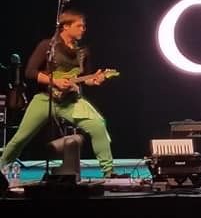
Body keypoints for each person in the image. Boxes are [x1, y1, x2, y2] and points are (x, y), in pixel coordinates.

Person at [0, 10, 123, 178]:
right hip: (45, 100)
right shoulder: (48, 46)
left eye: (84, 26)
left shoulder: (83, 51)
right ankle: (1, 165)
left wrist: (95, 80)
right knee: (21, 138)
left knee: (97, 125)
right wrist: (54, 81)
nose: (83, 29)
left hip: (70, 102)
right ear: (65, 26)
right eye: (79, 26)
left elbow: (84, 78)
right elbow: (30, 72)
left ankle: (108, 172)